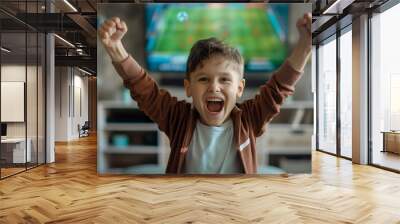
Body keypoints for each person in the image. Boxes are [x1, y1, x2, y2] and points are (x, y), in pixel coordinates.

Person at [98, 12, 312, 174]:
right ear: (188, 87)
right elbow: (145, 90)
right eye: (203, 79)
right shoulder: (178, 119)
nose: (214, 87)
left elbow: (278, 88)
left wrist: (305, 43)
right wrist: (116, 48)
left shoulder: (250, 118)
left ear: (239, 88)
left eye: (225, 79)